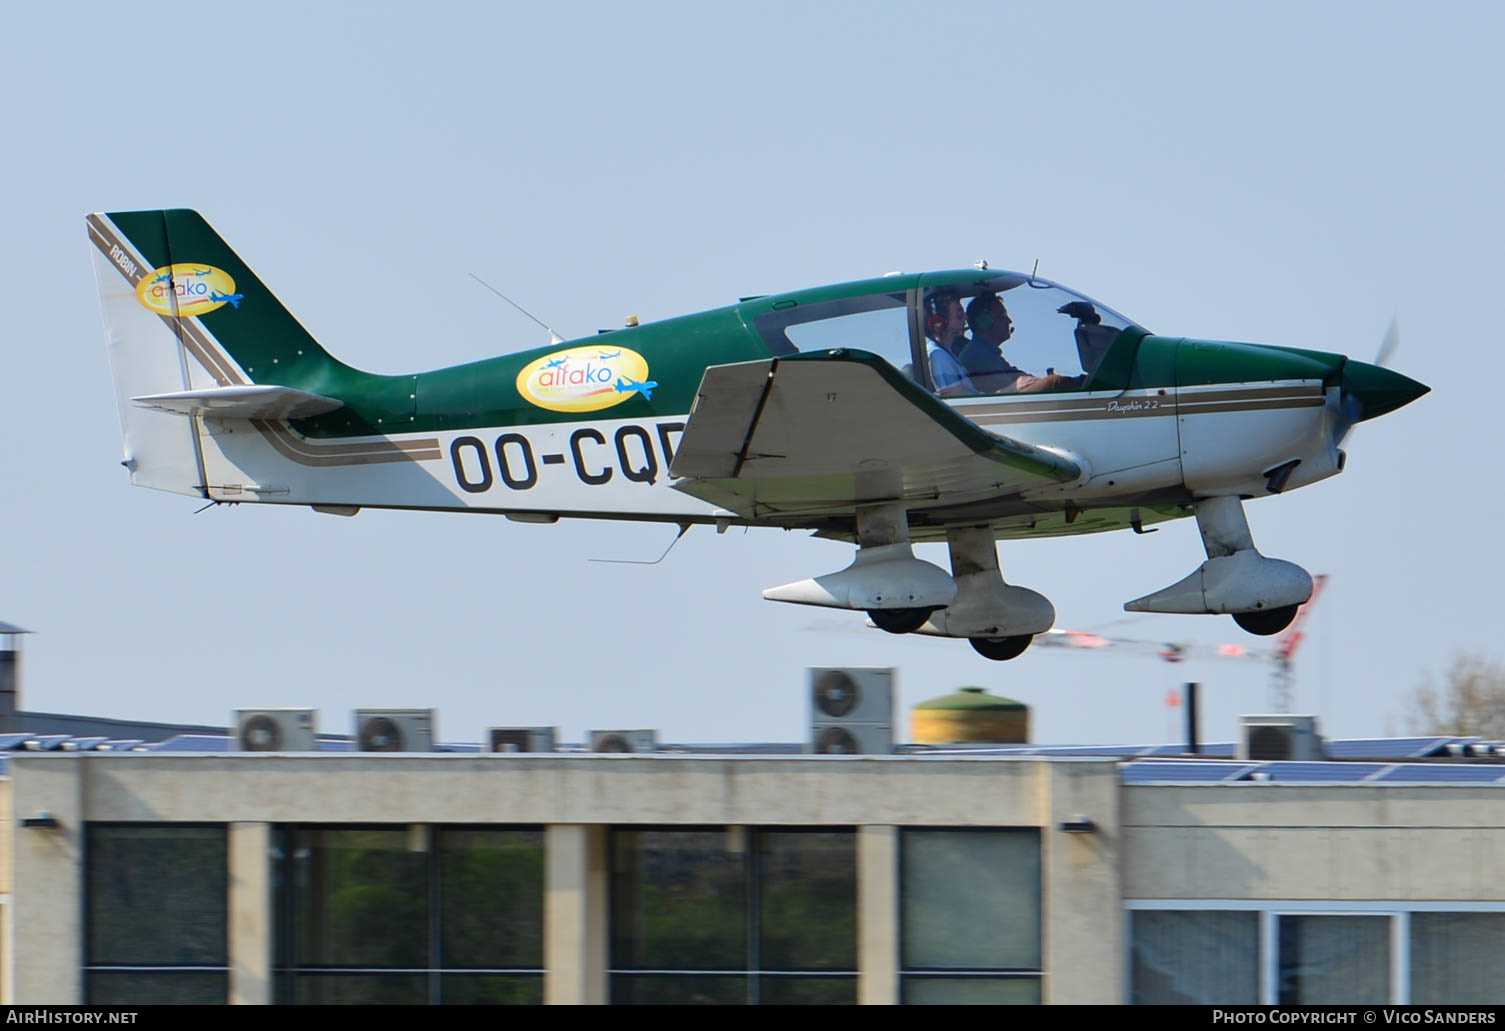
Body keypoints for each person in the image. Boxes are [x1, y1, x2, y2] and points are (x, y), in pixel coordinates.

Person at [961, 293, 1069, 394]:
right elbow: (1006, 389)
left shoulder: (988, 353)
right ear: (984, 321)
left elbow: (1018, 376)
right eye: (1002, 315)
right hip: (1000, 409)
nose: (1009, 321)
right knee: (1053, 383)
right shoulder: (977, 355)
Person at [924, 289, 977, 396]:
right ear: (939, 322)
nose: (965, 318)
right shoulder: (938, 356)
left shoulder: (946, 353)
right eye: (959, 314)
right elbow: (955, 400)